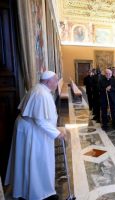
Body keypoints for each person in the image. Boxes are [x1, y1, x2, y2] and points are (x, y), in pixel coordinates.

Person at [5, 71, 65, 200]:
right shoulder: (41, 94)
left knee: (30, 161)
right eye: (55, 80)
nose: (56, 83)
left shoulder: (38, 89)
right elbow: (40, 120)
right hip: (31, 131)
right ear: (48, 81)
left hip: (29, 128)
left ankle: (32, 189)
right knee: (36, 161)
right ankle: (38, 192)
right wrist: (57, 133)